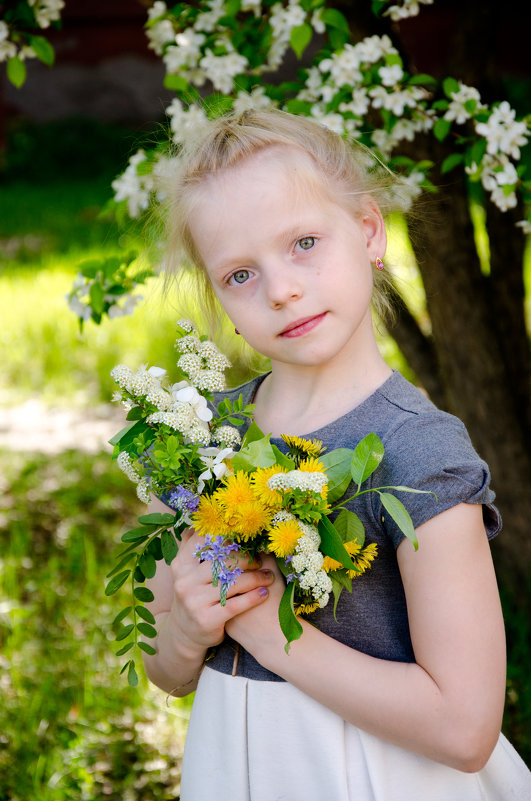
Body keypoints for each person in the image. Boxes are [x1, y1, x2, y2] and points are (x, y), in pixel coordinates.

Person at [142, 109, 531, 800]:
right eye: (238, 275)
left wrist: (270, 635)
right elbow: (162, 667)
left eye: (304, 243)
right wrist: (186, 631)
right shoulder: (203, 440)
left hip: (373, 777)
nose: (281, 289)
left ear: (368, 231)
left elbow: (466, 728)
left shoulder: (418, 454)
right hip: (233, 773)